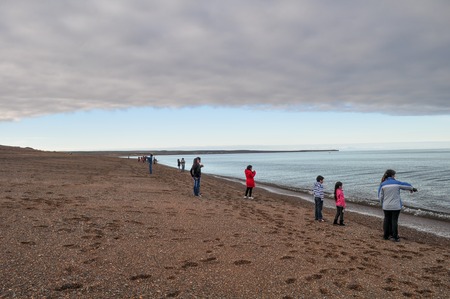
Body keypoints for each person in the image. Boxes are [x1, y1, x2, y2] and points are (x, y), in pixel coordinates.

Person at [378, 169, 418, 242]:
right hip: (396, 206)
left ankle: (386, 236)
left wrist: (382, 204)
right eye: (394, 175)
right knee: (394, 221)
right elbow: (406, 185)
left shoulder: (382, 184)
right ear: (393, 175)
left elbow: (380, 196)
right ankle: (395, 237)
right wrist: (412, 189)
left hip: (386, 206)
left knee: (387, 220)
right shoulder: (396, 183)